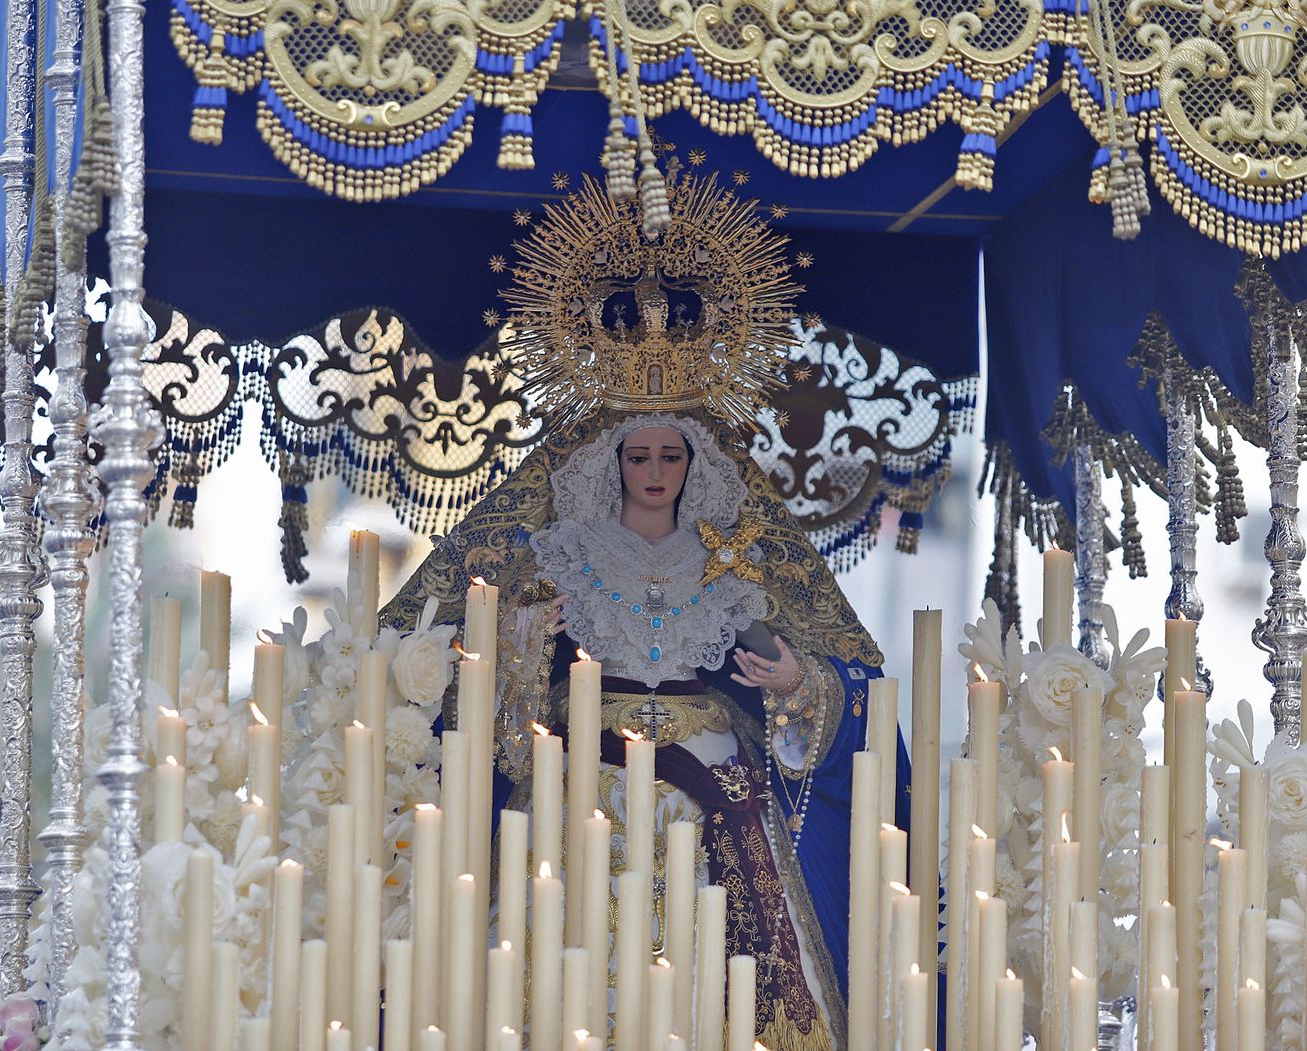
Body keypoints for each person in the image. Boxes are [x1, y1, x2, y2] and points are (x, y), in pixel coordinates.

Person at [377, 170, 910, 1048]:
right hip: (578, 785)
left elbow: (837, 673)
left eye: (671, 454)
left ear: (695, 462)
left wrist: (798, 683)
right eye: (639, 455)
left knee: (735, 990)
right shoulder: (558, 554)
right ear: (612, 461)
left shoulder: (737, 557)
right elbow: (460, 673)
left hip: (718, 791)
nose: (656, 472)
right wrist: (514, 640)